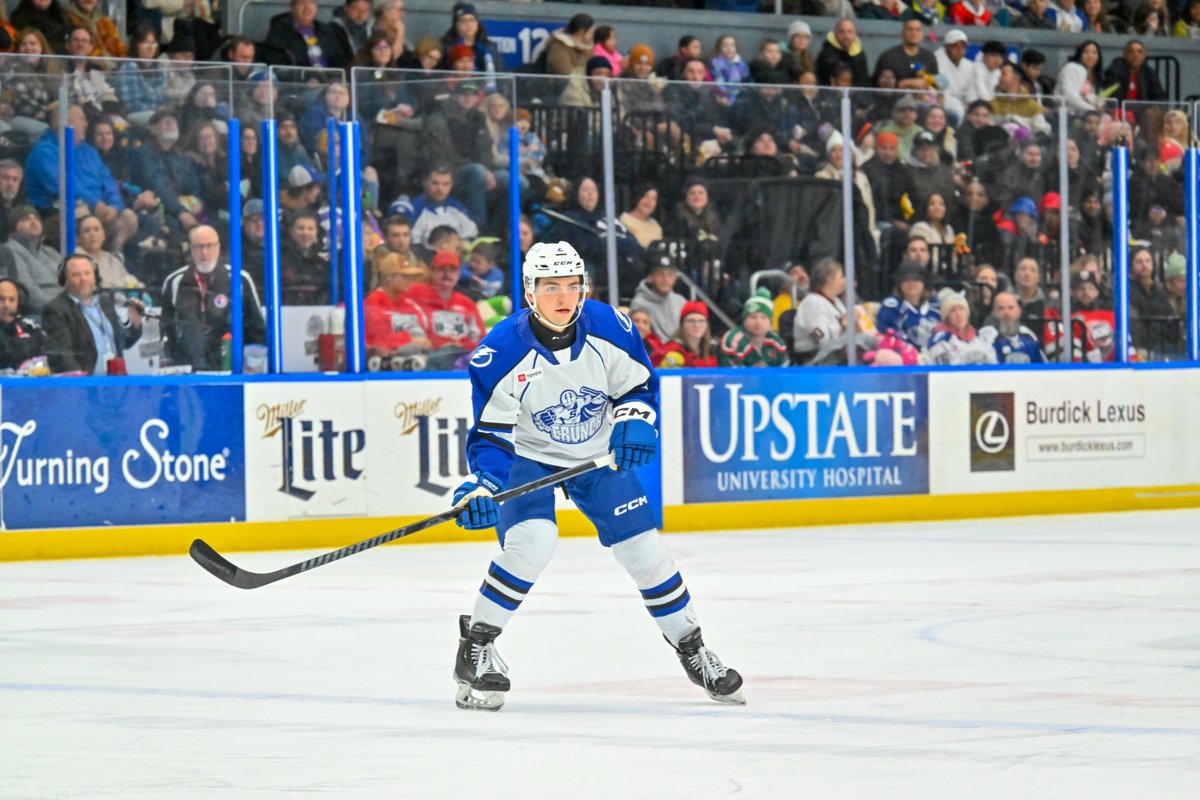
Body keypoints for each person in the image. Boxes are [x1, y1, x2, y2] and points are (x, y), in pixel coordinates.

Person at [450, 240, 743, 712]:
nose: (564, 297)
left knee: (646, 551)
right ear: (530, 291)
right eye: (551, 287)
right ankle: (476, 648)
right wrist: (485, 485)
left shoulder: (610, 326)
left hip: (597, 455)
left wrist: (633, 419)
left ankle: (693, 650)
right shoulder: (499, 353)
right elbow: (492, 436)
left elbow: (640, 386)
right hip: (530, 458)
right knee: (532, 545)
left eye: (572, 285)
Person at [159, 225, 266, 371]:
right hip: (187, 371)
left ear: (218, 247)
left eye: (209, 246)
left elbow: (257, 328)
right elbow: (166, 328)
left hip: (230, 368)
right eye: (199, 246)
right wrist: (170, 364)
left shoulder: (239, 279)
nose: (205, 252)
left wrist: (251, 367)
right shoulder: (174, 281)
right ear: (191, 248)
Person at [41, 253, 142, 374]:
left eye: (87, 273)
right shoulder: (56, 309)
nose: (83, 279)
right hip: (85, 387)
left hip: (116, 383)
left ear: (95, 276)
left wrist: (135, 324)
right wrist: (80, 385)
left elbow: (122, 343)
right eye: (75, 275)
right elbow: (62, 355)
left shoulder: (105, 302)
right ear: (64, 280)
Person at [406, 249, 486, 368]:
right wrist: (437, 344)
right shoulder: (416, 294)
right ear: (432, 271)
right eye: (442, 269)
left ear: (458, 274)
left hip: (460, 357)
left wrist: (460, 345)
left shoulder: (466, 303)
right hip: (427, 356)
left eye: (452, 270)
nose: (447, 274)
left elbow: (480, 339)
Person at [364, 251, 431, 370]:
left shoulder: (410, 304)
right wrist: (410, 339)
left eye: (411, 277)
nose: (410, 281)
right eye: (405, 276)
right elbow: (377, 341)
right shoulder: (373, 303)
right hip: (384, 366)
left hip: (418, 359)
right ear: (389, 277)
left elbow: (427, 335)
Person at [391, 164, 479, 248]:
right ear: (424, 182)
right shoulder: (413, 210)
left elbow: (472, 235)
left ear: (451, 185)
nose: (440, 189)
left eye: (445, 184)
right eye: (435, 183)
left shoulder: (458, 208)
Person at [263, 0, 353, 71]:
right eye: (301, 3)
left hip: (328, 83)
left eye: (311, 2)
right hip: (298, 85)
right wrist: (304, 78)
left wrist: (335, 79)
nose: (307, 8)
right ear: (292, 8)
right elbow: (275, 62)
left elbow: (339, 59)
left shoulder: (326, 30)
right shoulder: (280, 30)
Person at [3, 205, 62, 312]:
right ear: (13, 227)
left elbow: (69, 281)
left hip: (66, 309)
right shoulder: (9, 250)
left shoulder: (51, 252)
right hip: (40, 313)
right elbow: (27, 291)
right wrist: (59, 308)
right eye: (25, 219)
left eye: (36, 218)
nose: (33, 222)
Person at [792, 258, 847, 362]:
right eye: (842, 277)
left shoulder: (836, 301)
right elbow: (825, 342)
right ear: (829, 279)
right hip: (815, 362)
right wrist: (844, 324)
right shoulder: (812, 303)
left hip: (836, 359)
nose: (845, 280)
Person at [876, 261, 940, 348]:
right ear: (899, 284)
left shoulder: (936, 306)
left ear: (924, 282)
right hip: (902, 356)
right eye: (906, 280)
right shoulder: (891, 306)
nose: (911, 283)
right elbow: (889, 334)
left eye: (916, 279)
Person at [718, 289, 789, 367]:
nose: (758, 322)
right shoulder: (732, 341)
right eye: (753, 317)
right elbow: (732, 376)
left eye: (764, 317)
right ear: (744, 320)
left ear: (770, 322)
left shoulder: (777, 342)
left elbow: (784, 373)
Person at [924, 290, 996, 364]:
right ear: (946, 317)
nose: (958, 314)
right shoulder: (940, 341)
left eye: (961, 309)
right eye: (953, 311)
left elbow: (993, 364)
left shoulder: (981, 339)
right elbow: (943, 371)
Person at [629, 254, 686, 343]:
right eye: (660, 274)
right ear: (651, 277)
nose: (665, 279)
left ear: (675, 278)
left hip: (678, 352)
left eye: (670, 274)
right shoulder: (639, 303)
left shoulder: (681, 301)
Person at [980, 290, 1046, 363]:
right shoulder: (986, 336)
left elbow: (1042, 364)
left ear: (1018, 311)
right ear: (994, 312)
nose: (1006, 312)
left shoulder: (1028, 334)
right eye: (1001, 308)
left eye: (1010, 308)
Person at [0, 277, 48, 370]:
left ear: (19, 303)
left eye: (12, 300)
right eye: (1, 299)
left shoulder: (29, 326)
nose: (7, 305)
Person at [660, 301, 718, 368]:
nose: (696, 325)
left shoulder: (714, 349)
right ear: (682, 324)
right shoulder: (672, 348)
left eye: (701, 321)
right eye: (691, 321)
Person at [815, 18, 870, 86]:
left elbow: (863, 82)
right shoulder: (826, 55)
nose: (846, 35)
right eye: (842, 32)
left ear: (855, 34)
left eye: (850, 32)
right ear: (835, 33)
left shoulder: (860, 55)